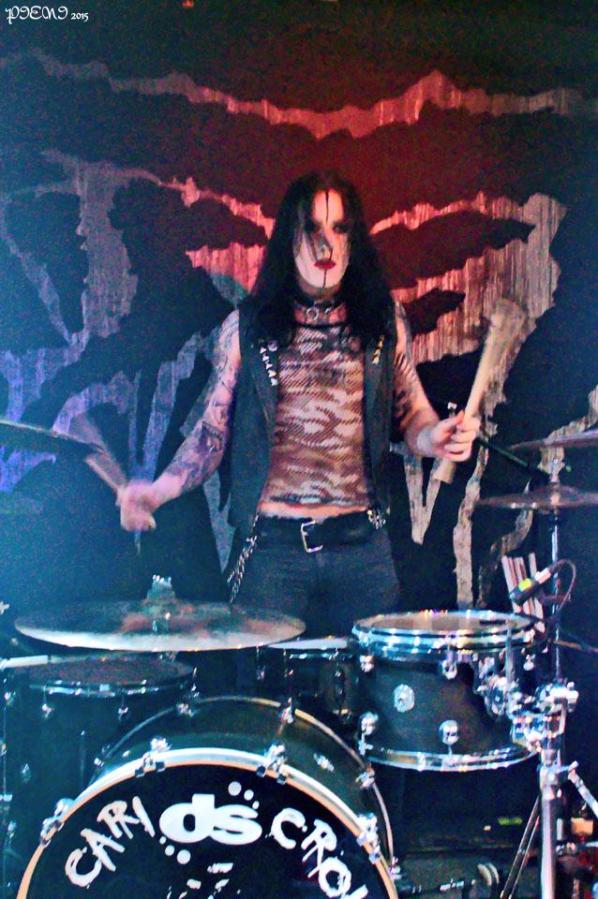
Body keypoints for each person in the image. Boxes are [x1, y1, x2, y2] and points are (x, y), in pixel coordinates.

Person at [118, 171, 479, 633]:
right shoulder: (247, 328)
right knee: (263, 681)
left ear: (354, 240)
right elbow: (211, 434)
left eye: (340, 228)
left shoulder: (383, 322)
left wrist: (436, 437)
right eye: (312, 228)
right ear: (289, 238)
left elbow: (411, 413)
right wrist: (157, 491)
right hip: (275, 552)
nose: (326, 244)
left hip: (362, 549)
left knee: (378, 676)